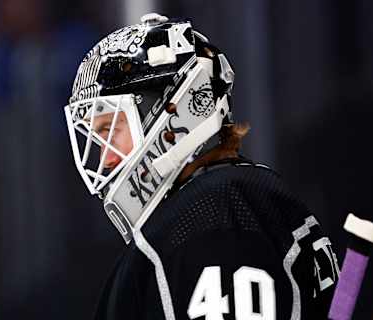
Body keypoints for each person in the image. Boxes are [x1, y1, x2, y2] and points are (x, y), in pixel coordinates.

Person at [64, 13, 340, 320]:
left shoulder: (215, 214)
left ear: (172, 110)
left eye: (109, 130)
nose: (106, 158)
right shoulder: (235, 203)